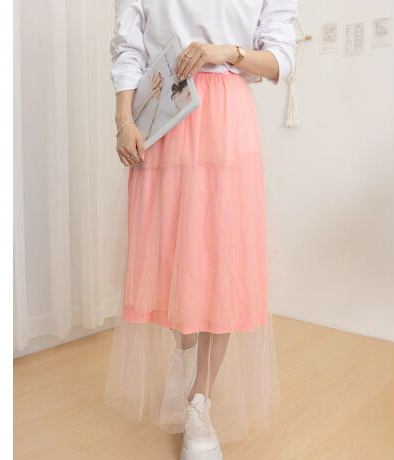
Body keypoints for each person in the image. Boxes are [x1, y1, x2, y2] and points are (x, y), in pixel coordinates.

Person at [103, 1, 298, 459]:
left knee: (220, 263)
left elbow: (281, 59)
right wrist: (123, 119)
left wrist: (225, 52)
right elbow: (128, 47)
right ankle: (184, 351)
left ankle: (200, 400)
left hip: (226, 119)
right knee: (174, 255)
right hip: (165, 110)